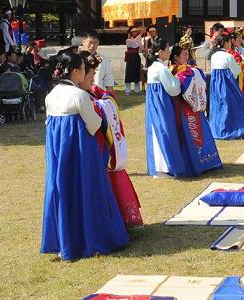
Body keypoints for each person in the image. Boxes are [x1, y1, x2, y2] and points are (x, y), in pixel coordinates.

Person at [41, 49, 130, 260]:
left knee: (62, 191)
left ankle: (65, 240)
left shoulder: (51, 95)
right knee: (89, 191)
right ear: (74, 72)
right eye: (82, 69)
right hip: (81, 153)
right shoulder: (80, 95)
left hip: (58, 153)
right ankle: (93, 238)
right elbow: (93, 124)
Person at [84, 52, 144, 229]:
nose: (93, 79)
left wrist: (105, 101)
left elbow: (109, 97)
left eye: (94, 75)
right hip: (96, 142)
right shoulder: (79, 94)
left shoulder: (95, 91)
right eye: (90, 75)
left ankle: (125, 219)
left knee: (115, 177)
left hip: (107, 142)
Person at [146, 42, 215, 176]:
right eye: (167, 49)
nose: (169, 52)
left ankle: (162, 167)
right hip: (166, 104)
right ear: (160, 52)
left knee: (159, 131)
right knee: (166, 131)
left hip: (158, 103)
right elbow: (174, 89)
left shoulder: (156, 67)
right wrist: (180, 79)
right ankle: (168, 167)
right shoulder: (162, 68)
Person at [207, 31, 244, 140]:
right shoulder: (228, 56)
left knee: (218, 105)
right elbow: (236, 71)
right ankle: (232, 128)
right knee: (232, 105)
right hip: (227, 83)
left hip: (215, 84)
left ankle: (218, 129)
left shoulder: (213, 55)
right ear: (227, 43)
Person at [123, 27, 144, 94]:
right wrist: (140, 34)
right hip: (130, 58)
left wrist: (144, 47)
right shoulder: (128, 40)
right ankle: (127, 90)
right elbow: (134, 44)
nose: (135, 32)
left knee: (136, 73)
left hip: (136, 57)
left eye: (136, 31)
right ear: (131, 33)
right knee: (129, 74)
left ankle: (137, 90)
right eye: (133, 31)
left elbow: (140, 49)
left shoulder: (139, 40)